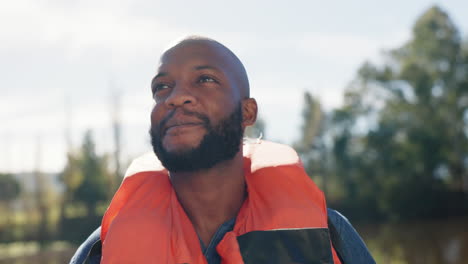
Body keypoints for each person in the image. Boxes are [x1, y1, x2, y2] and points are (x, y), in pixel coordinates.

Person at [70, 36, 375, 264]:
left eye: (205, 79)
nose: (176, 98)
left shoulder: (326, 233)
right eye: (162, 87)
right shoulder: (102, 249)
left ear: (247, 113)